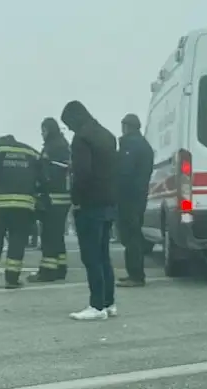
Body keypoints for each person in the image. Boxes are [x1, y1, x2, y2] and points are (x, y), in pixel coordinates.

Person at [61, 101, 118, 321]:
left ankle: (96, 306)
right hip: (108, 202)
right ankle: (109, 302)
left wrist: (76, 200)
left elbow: (82, 174)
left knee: (91, 256)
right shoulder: (107, 135)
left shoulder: (82, 138)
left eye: (69, 124)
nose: (71, 129)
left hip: (90, 204)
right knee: (103, 255)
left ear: (74, 118)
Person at [0, 135, 45, 289]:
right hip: (23, 204)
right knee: (17, 240)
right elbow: (42, 171)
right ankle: (12, 279)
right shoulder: (29, 151)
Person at [28, 117, 72, 283]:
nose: (42, 134)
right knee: (57, 235)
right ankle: (61, 268)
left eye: (43, 130)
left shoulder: (53, 147)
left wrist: (38, 187)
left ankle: (47, 271)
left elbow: (46, 171)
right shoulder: (63, 144)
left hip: (52, 197)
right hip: (63, 197)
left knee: (48, 236)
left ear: (48, 129)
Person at [116, 113, 154, 288]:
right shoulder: (143, 144)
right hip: (138, 195)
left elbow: (124, 171)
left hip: (129, 197)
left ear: (127, 126)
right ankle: (134, 273)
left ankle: (136, 275)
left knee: (131, 236)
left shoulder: (131, 144)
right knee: (133, 234)